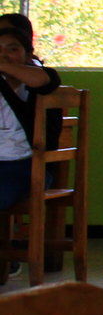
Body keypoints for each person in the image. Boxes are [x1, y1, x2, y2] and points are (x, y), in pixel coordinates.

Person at [0, 24, 60, 209]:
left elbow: (42, 80)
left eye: (13, 49)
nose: (4, 54)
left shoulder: (41, 76)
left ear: (28, 55)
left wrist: (3, 66)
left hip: (25, 167)